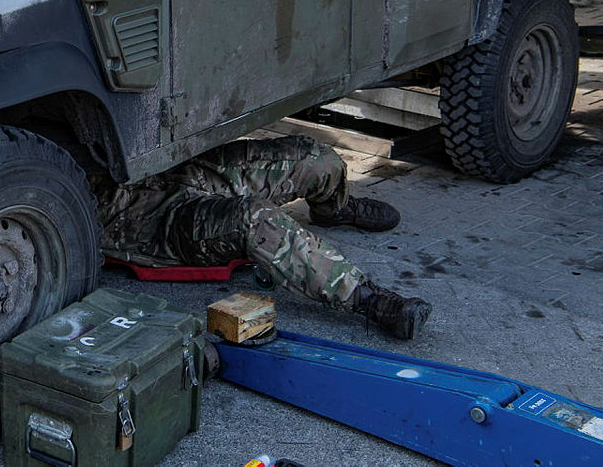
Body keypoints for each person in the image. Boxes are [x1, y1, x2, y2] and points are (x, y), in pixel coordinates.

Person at [99, 135, 432, 339]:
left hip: (172, 164)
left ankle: (333, 208)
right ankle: (368, 300)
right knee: (256, 219)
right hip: (148, 219)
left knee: (318, 161)